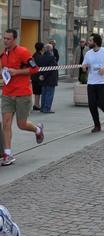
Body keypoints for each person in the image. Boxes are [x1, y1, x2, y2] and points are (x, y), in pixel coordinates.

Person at [0, 29, 44, 166]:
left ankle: (38, 130)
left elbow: (35, 69)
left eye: (8, 39)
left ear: (14, 40)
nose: (5, 41)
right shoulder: (2, 55)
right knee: (6, 123)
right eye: (4, 38)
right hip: (7, 93)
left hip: (22, 93)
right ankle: (7, 154)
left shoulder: (23, 52)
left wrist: (17, 72)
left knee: (21, 124)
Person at [82, 33, 104, 133]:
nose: (88, 42)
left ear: (95, 42)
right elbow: (85, 64)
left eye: (90, 40)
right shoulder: (88, 53)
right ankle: (97, 125)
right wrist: (84, 67)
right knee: (92, 105)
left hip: (103, 82)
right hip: (92, 82)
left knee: (102, 103)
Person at [38, 44, 58, 113]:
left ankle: (42, 107)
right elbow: (51, 68)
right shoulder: (52, 57)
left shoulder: (41, 57)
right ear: (51, 50)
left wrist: (41, 75)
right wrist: (44, 76)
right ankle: (47, 108)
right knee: (49, 93)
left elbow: (39, 67)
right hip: (50, 78)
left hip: (43, 78)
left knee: (44, 93)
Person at [31, 42, 44, 110]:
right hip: (37, 75)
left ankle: (36, 104)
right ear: (42, 48)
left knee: (36, 91)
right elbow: (41, 66)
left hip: (34, 75)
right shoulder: (40, 56)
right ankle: (37, 104)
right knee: (38, 91)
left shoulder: (34, 55)